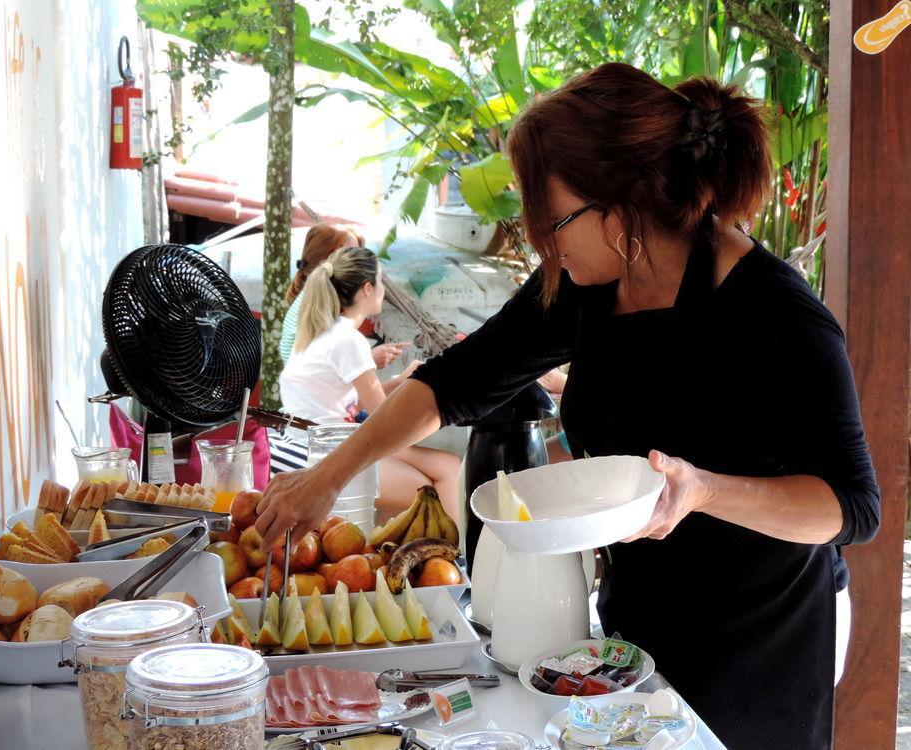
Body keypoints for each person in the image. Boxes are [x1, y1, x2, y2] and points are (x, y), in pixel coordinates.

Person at [257, 63, 880, 749]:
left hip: (763, 636)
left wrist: (703, 491)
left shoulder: (777, 314)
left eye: (552, 222)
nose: (543, 244)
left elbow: (850, 507)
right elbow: (456, 380)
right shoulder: (587, 287)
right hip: (636, 627)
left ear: (623, 208)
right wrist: (329, 477)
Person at [279, 245, 461, 520]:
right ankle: (450, 558)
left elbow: (358, 401)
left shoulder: (317, 331)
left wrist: (403, 381)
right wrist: (424, 392)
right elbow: (386, 419)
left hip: (305, 444)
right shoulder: (348, 340)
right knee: (447, 471)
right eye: (380, 281)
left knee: (443, 468)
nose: (383, 289)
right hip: (325, 453)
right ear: (366, 289)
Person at [280, 223, 407, 369]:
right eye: (351, 255)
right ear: (325, 261)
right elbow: (312, 372)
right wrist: (368, 360)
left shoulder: (315, 301)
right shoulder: (319, 308)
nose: (362, 264)